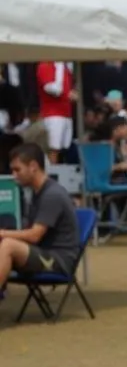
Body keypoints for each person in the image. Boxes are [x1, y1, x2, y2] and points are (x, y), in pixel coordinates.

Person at [0, 143, 79, 290]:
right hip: (42, 252)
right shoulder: (36, 193)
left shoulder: (52, 194)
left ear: (33, 166)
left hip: (58, 259)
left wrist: (2, 233)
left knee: (8, 245)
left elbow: (34, 236)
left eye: (17, 170)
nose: (14, 175)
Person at [35, 62, 75, 164]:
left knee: (64, 149)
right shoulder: (45, 65)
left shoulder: (65, 67)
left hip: (66, 113)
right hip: (53, 114)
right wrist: (68, 94)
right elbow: (54, 89)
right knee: (53, 149)